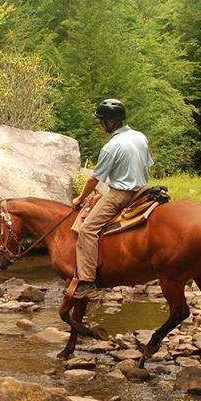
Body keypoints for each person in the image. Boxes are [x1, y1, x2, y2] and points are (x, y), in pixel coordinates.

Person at [71, 98, 154, 298]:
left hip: (121, 195)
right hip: (143, 191)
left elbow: (94, 179)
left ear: (111, 122)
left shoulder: (111, 146)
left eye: (102, 121)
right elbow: (147, 164)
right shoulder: (140, 137)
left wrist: (80, 198)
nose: (101, 125)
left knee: (87, 230)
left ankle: (87, 281)